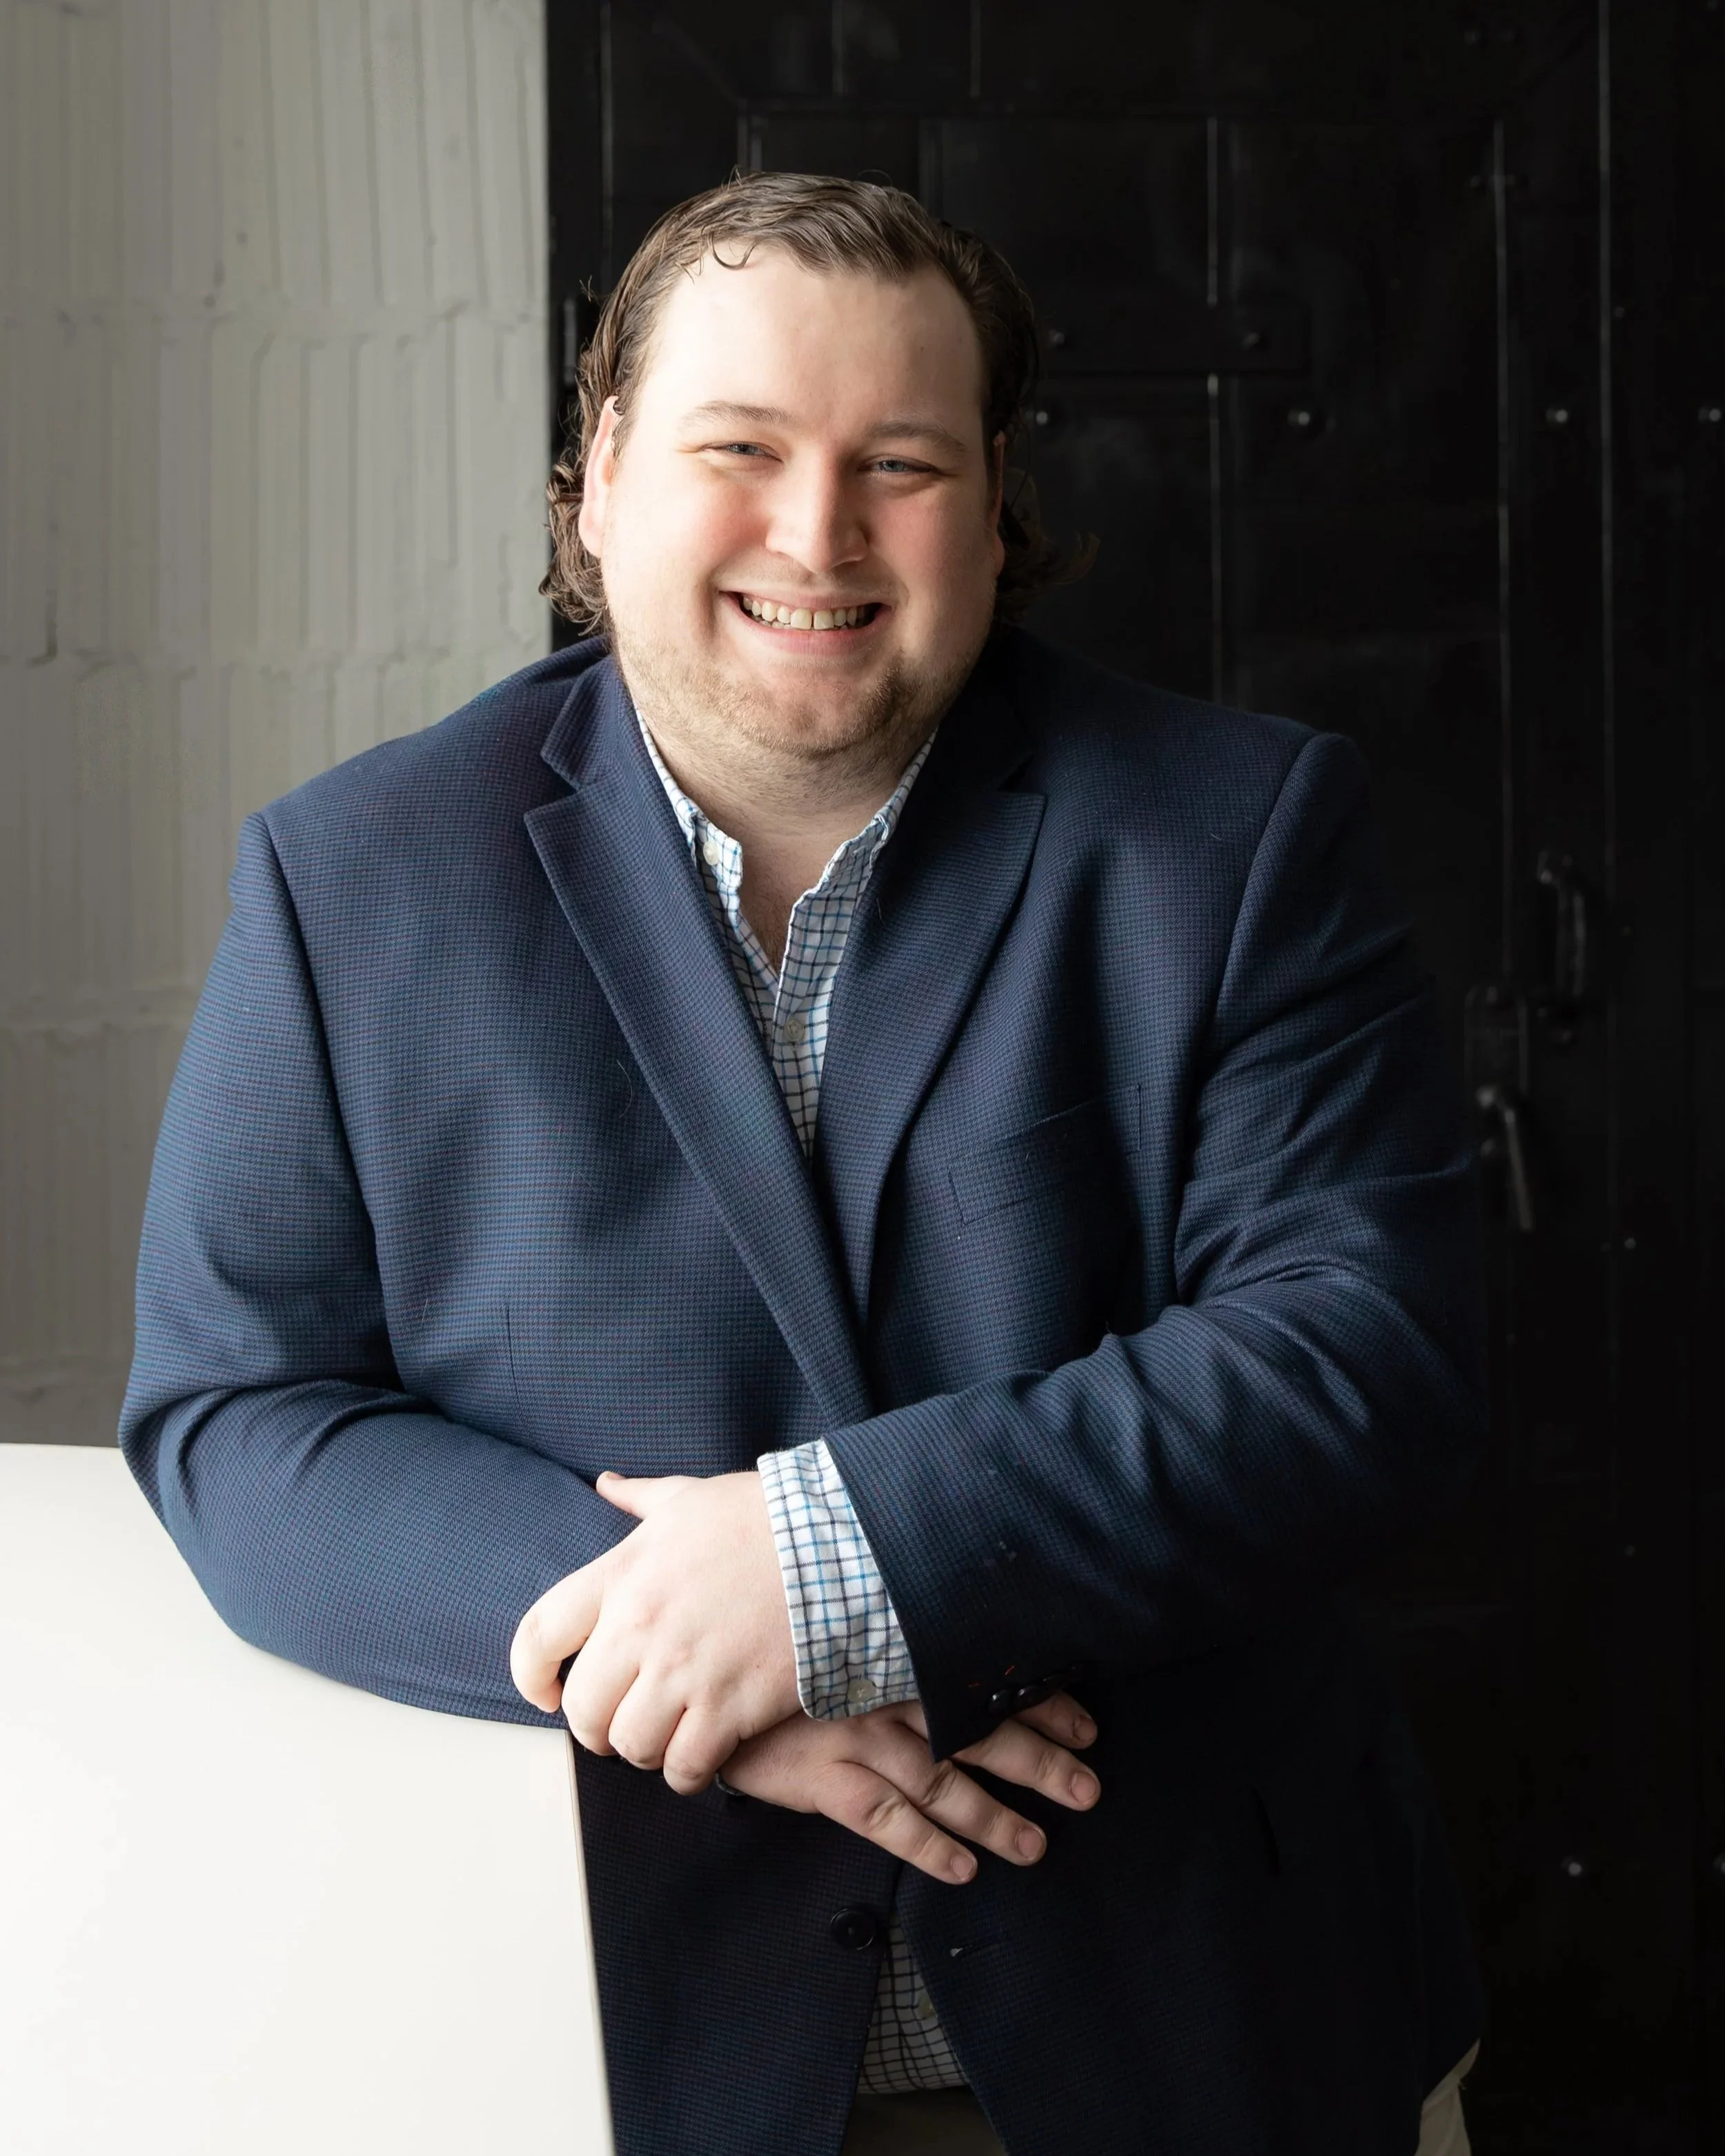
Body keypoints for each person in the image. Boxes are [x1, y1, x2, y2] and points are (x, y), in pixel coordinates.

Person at [121, 172, 1486, 2155]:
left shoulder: (1239, 831)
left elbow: (1357, 1353)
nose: (814, 533)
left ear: (995, 505)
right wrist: (683, 1641)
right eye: (735, 450)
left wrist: (836, 1566)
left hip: (1205, 2034)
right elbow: (237, 1417)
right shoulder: (347, 880)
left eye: (899, 463)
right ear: (596, 475)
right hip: (615, 2055)